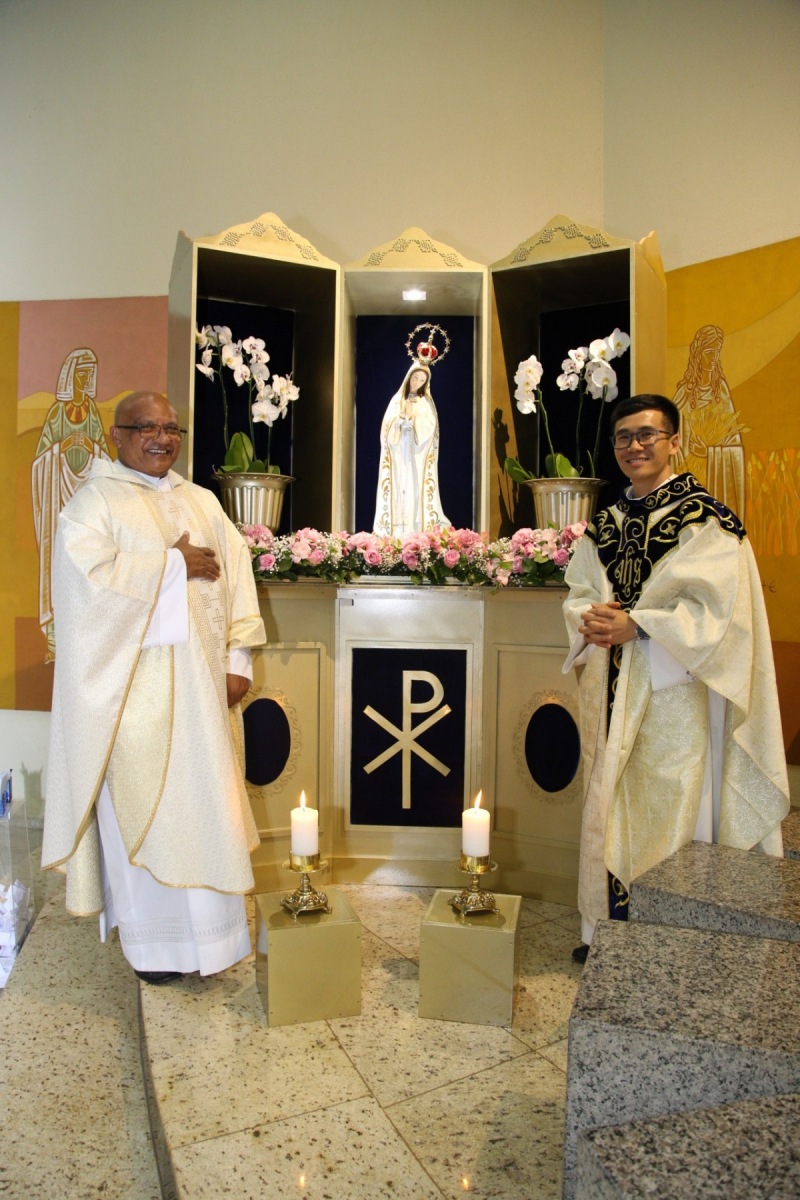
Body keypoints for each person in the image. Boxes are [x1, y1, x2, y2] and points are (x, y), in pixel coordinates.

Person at [42, 392, 266, 984]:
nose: (162, 438)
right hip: (132, 704)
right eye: (146, 427)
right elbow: (84, 588)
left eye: (171, 428)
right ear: (117, 435)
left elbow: (238, 578)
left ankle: (215, 945)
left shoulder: (203, 501)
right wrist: (170, 566)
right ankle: (157, 953)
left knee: (207, 814)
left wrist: (238, 659)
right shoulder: (94, 504)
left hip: (204, 699)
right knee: (146, 815)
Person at [562, 393, 789, 962]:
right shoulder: (604, 526)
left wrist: (638, 625)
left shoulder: (706, 522)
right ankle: (606, 933)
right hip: (611, 690)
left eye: (647, 435)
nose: (634, 446)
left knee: (672, 806)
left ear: (674, 442)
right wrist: (591, 619)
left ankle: (667, 944)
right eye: (623, 437)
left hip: (674, 696)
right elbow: (580, 591)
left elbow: (720, 614)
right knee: (607, 804)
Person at [31, 348, 111, 662]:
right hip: (58, 498)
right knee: (57, 562)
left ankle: (86, 639)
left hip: (86, 495)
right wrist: (61, 446)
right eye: (82, 374)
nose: (87, 379)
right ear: (70, 376)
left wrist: (89, 445)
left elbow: (104, 458)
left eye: (90, 374)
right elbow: (40, 461)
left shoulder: (91, 412)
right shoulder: (57, 413)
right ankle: (55, 641)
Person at [373, 362, 449, 535]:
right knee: (398, 489)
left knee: (415, 491)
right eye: (415, 378)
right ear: (408, 377)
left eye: (422, 380)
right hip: (399, 455)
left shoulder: (426, 403)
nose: (417, 383)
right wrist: (400, 420)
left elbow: (429, 429)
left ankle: (416, 530)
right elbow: (386, 430)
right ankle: (395, 531)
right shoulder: (396, 401)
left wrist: (413, 421)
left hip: (416, 457)